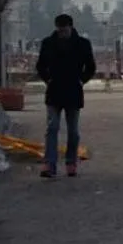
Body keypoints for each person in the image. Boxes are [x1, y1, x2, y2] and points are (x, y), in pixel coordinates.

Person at [35, 13, 96, 178]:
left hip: (73, 91)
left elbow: (90, 66)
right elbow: (40, 65)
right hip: (54, 90)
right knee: (52, 127)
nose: (62, 33)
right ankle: (49, 164)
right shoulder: (48, 43)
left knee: (73, 131)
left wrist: (81, 81)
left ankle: (71, 162)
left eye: (65, 30)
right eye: (60, 30)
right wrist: (48, 79)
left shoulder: (82, 44)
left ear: (71, 28)